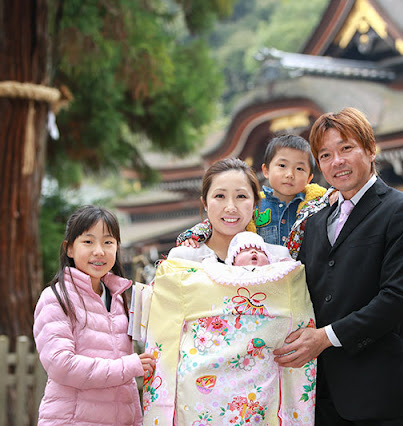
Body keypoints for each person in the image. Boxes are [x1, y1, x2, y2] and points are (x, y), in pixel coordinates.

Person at [274, 107, 403, 425]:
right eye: (326, 155)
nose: (337, 162)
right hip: (318, 397)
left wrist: (324, 338)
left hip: (377, 397)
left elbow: (396, 299)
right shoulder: (316, 222)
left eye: (346, 148)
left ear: (371, 149)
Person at [141, 158, 317, 425]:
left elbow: (299, 327)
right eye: (220, 196)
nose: (230, 207)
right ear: (204, 202)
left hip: (262, 397)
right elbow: (162, 335)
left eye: (241, 196)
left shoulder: (279, 260)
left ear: (255, 204)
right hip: (197, 399)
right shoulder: (185, 257)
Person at [33, 205, 155, 425]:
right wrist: (129, 366)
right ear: (69, 248)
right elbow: (62, 365)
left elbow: (126, 385)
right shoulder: (56, 297)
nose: (99, 251)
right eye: (88, 242)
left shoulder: (118, 297)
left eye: (108, 242)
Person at [176, 134, 331, 248]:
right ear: (266, 170)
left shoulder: (316, 204)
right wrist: (192, 236)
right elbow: (214, 222)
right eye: (282, 166)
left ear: (309, 177)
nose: (289, 174)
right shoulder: (255, 205)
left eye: (299, 168)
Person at [226, 231, 292, 266]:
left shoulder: (274, 273)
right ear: (233, 261)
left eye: (260, 251)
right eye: (246, 250)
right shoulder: (226, 277)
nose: (254, 251)